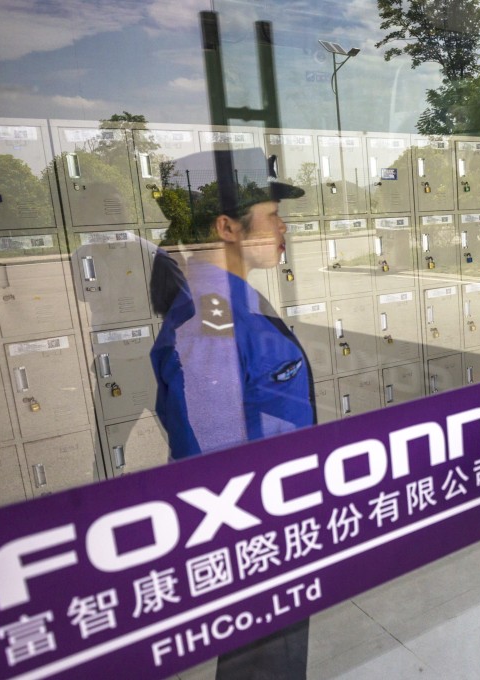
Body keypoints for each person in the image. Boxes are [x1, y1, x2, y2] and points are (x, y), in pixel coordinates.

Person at [149, 148, 314, 679]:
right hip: (256, 533)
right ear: (226, 227)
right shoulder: (211, 320)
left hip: (274, 517)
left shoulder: (230, 300)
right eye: (272, 214)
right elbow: (214, 456)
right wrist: (258, 549)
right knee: (265, 664)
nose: (283, 227)